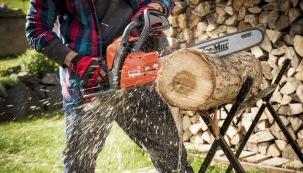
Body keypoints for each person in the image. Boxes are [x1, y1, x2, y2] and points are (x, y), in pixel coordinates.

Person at [26, 0, 194, 172]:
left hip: (139, 77)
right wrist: (76, 61)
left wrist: (153, 8)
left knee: (173, 159)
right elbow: (36, 29)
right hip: (89, 83)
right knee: (79, 164)